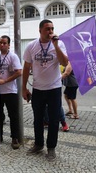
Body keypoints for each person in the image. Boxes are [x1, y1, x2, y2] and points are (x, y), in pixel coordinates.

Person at [22, 19, 68, 161]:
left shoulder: (59, 44)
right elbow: (26, 67)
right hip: (38, 89)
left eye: (52, 28)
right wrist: (23, 88)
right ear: (40, 30)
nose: (50, 31)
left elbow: (65, 62)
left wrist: (56, 46)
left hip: (54, 88)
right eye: (47, 29)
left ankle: (51, 147)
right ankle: (38, 144)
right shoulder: (31, 46)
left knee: (54, 120)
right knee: (38, 119)